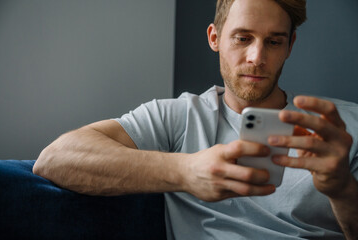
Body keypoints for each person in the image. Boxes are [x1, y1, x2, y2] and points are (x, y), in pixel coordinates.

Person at [33, 0, 358, 239]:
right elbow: (55, 159)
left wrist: (343, 189)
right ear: (214, 38)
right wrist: (185, 171)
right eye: (243, 38)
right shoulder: (179, 116)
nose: (257, 58)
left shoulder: (346, 125)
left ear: (290, 46)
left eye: (274, 42)